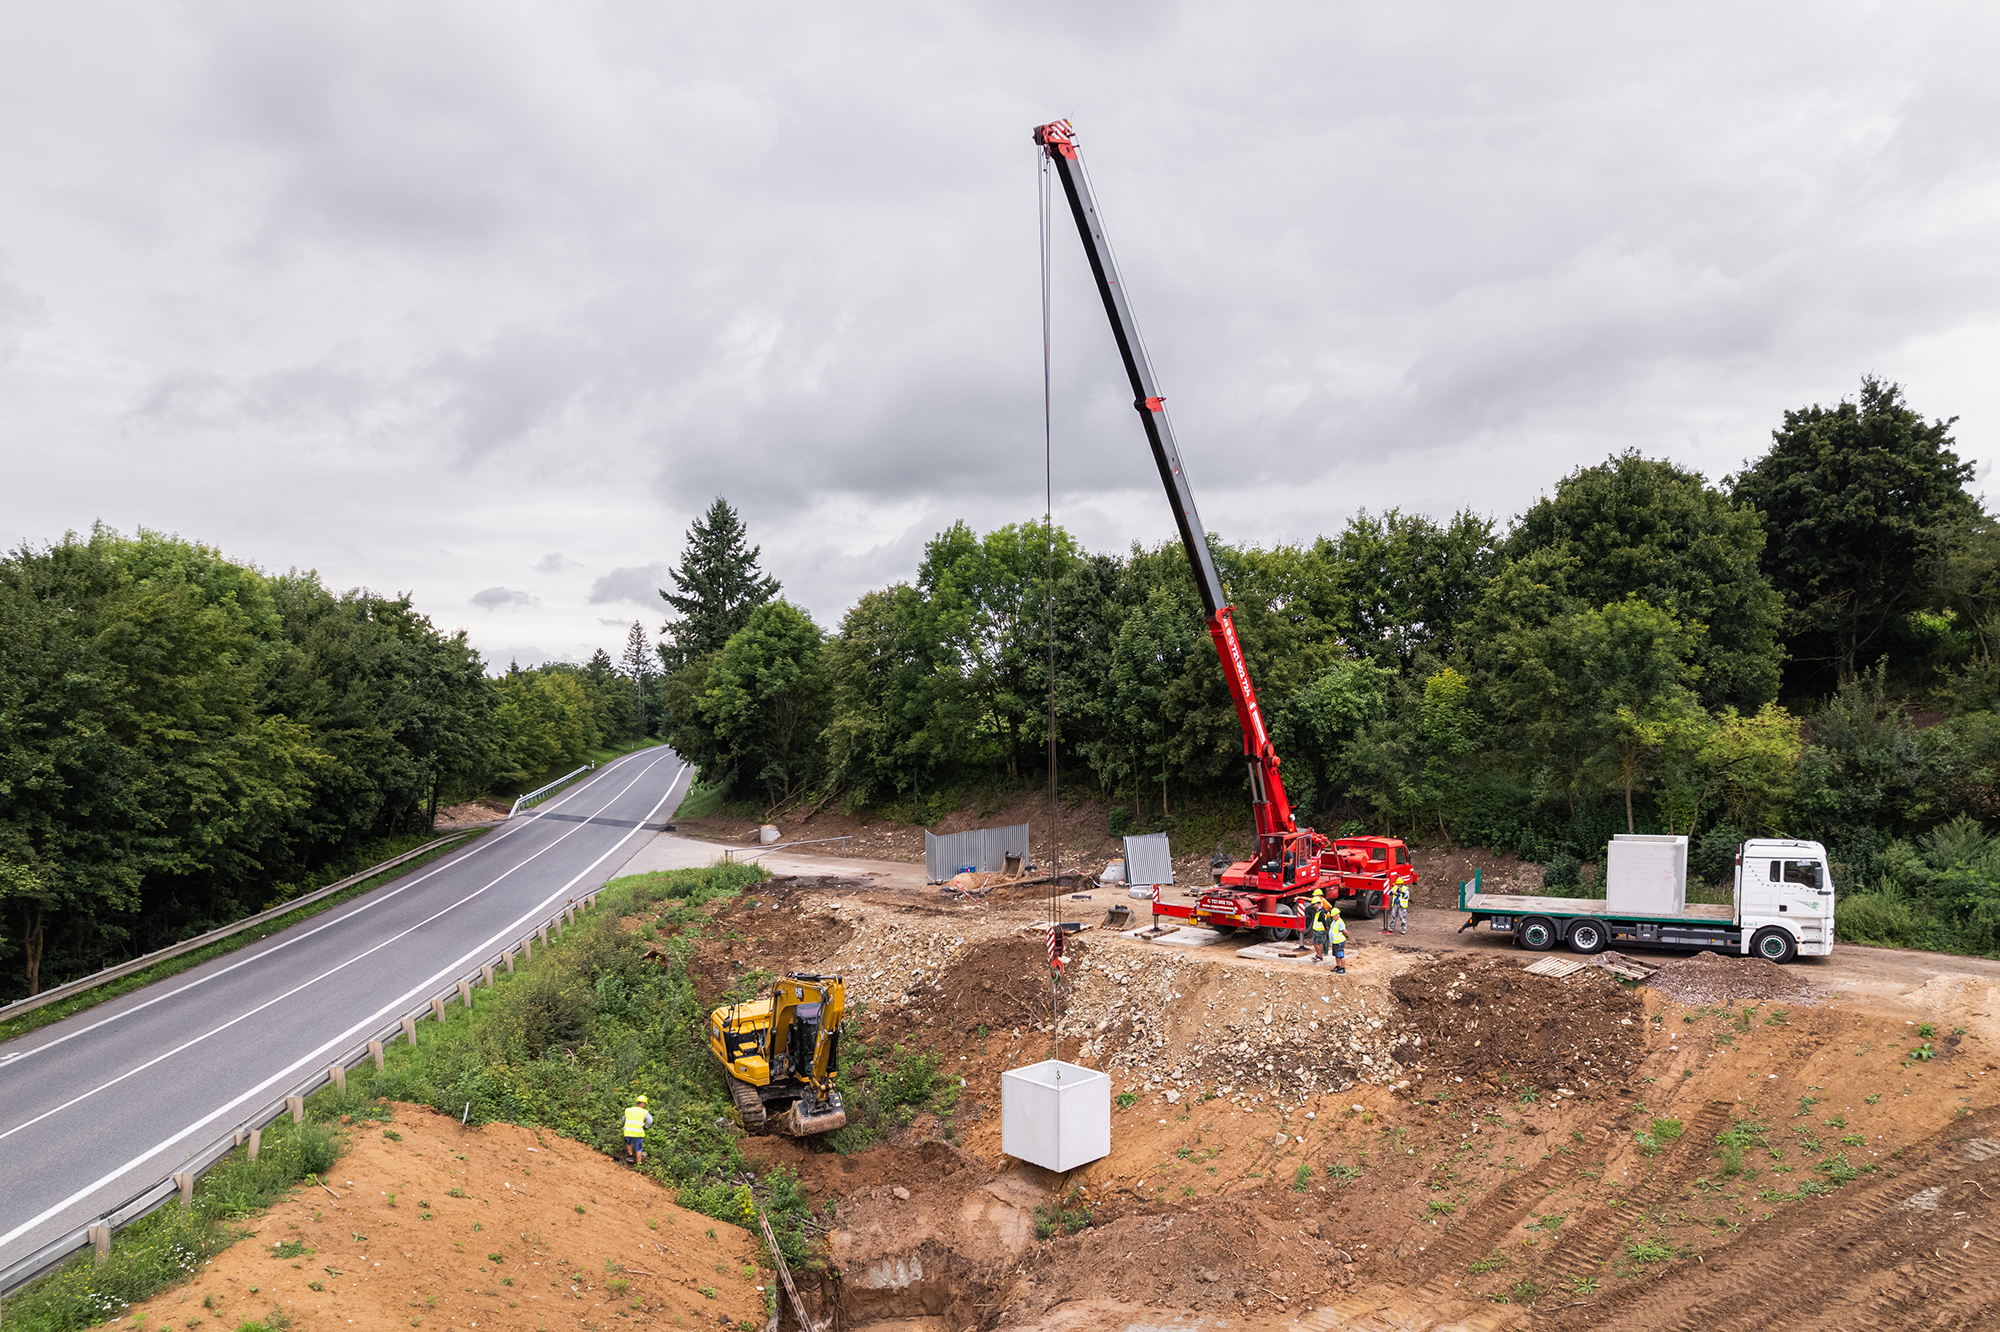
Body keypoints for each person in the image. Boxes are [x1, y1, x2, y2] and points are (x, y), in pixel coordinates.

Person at [622, 1094, 654, 1166]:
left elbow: (623, 1120)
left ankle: (630, 1157)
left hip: (628, 1132)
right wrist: (645, 1127)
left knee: (628, 1143)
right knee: (639, 1149)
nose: (645, 1105)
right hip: (638, 1133)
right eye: (645, 1103)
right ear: (642, 1103)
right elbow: (650, 1121)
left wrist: (626, 1125)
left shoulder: (628, 1110)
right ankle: (638, 1165)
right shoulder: (644, 1112)